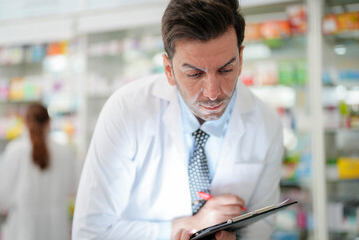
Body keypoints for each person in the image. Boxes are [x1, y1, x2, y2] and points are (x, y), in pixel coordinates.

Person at [72, 0, 283, 239]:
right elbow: (90, 231)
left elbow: (262, 226)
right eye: (194, 74)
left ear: (241, 59)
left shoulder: (267, 123)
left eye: (225, 70)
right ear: (169, 70)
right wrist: (188, 226)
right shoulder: (126, 111)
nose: (213, 92)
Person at [0, 103, 77, 240]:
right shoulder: (64, 151)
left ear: (25, 122)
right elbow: (73, 187)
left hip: (22, 228)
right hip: (55, 228)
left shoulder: (15, 150)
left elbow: (3, 196)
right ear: (49, 122)